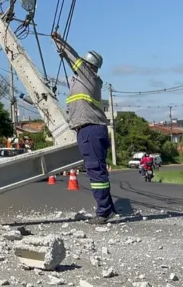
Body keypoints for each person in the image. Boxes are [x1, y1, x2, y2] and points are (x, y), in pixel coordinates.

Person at [52, 31, 117, 225]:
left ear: (90, 66)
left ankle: (103, 212)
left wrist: (60, 43)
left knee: (95, 171)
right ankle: (108, 208)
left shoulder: (90, 78)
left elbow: (75, 60)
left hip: (91, 129)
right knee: (97, 171)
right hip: (87, 130)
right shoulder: (82, 82)